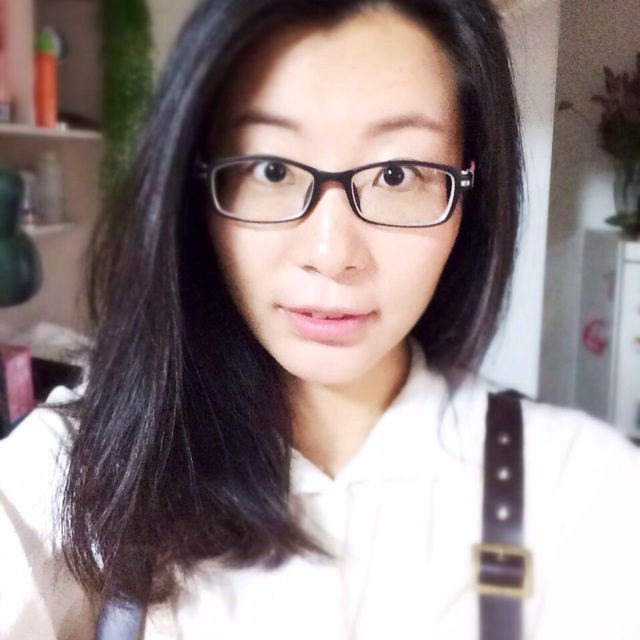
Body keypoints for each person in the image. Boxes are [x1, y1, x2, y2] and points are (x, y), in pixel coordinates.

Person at [1, 0, 640, 638]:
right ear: (196, 185)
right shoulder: (84, 465)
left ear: (470, 189)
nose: (332, 254)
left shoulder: (574, 490)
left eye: (397, 174)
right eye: (271, 169)